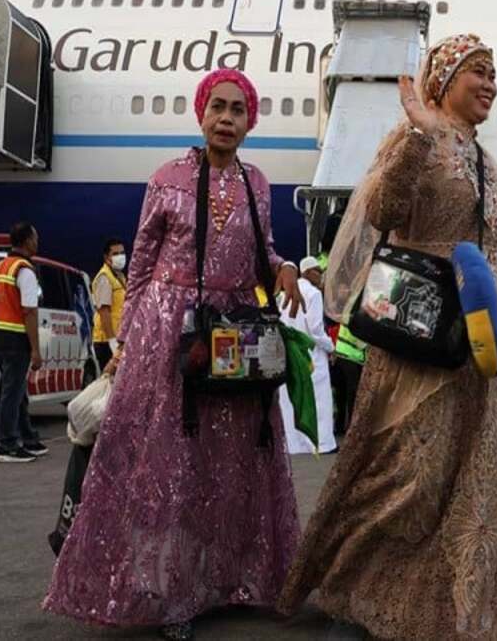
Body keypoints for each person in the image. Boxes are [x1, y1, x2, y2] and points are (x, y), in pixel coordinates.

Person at [278, 33, 497, 640]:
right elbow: (380, 213)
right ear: (444, 78)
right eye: (479, 71)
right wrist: (418, 135)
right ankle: (357, 593)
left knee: (475, 478)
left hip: (475, 341)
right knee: (407, 476)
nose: (491, 83)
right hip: (419, 329)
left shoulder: (485, 160)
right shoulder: (414, 137)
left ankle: (450, 609)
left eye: (496, 73)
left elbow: (486, 253)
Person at [43, 69, 304, 641]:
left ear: (251, 120)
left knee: (226, 468)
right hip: (170, 337)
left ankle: (223, 582)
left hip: (231, 337)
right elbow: (138, 270)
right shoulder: (168, 178)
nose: (227, 119)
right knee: (171, 473)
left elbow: (262, 250)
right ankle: (168, 596)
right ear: (201, 112)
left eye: (239, 110)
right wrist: (129, 347)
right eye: (219, 107)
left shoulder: (259, 183)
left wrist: (283, 267)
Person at [0, 221, 47, 463]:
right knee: (12, 393)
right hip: (15, 337)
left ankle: (28, 438)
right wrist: (35, 349)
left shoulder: (1, 266)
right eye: (35, 238)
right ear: (26, 241)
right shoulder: (25, 270)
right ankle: (8, 445)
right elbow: (29, 311)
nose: (37, 242)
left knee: (15, 390)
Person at [281, 255, 337, 454]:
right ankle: (320, 444)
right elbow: (315, 330)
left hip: (291, 353)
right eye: (318, 271)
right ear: (307, 272)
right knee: (318, 401)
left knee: (292, 400)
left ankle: (295, 444)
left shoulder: (285, 293)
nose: (321, 276)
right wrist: (331, 347)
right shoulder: (313, 294)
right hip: (311, 354)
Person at [91, 237, 128, 371]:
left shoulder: (120, 277)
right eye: (115, 254)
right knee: (109, 384)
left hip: (118, 340)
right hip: (106, 341)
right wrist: (112, 342)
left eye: (122, 253)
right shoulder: (104, 278)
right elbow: (104, 312)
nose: (120, 256)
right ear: (107, 257)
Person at [332, 322, 366, 437]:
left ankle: (339, 426)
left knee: (341, 391)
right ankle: (351, 427)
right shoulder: (359, 310)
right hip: (352, 355)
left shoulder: (350, 309)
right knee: (353, 392)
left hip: (342, 352)